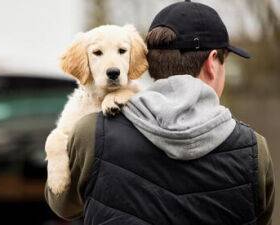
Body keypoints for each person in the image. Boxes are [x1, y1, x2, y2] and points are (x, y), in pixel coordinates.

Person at [45, 1, 275, 224]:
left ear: (148, 63)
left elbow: (64, 206)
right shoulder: (254, 148)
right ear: (212, 63)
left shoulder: (90, 132)